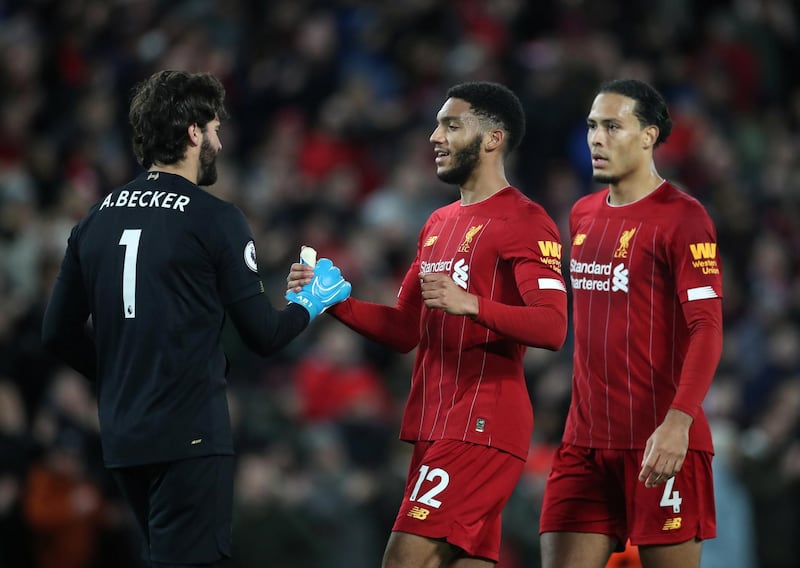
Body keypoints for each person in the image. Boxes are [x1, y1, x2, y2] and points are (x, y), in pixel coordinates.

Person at [41, 69, 350, 568]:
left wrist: (118, 375)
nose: (220, 143)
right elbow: (264, 336)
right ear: (192, 133)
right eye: (215, 129)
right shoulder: (214, 217)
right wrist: (311, 302)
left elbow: (56, 333)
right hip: (189, 435)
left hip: (123, 438)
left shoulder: (94, 218)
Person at [288, 81, 568, 566]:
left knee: (403, 559)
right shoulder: (437, 223)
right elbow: (404, 330)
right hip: (435, 425)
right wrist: (335, 301)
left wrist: (473, 305)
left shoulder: (526, 220)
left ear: (492, 138)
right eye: (437, 124)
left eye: (451, 125)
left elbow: (553, 327)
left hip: (482, 422)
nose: (435, 137)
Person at [539, 79, 723, 568]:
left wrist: (678, 422)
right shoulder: (582, 215)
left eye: (612, 127)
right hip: (583, 444)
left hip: (659, 442)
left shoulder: (684, 218)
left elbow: (707, 328)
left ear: (648, 136)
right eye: (592, 127)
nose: (597, 139)